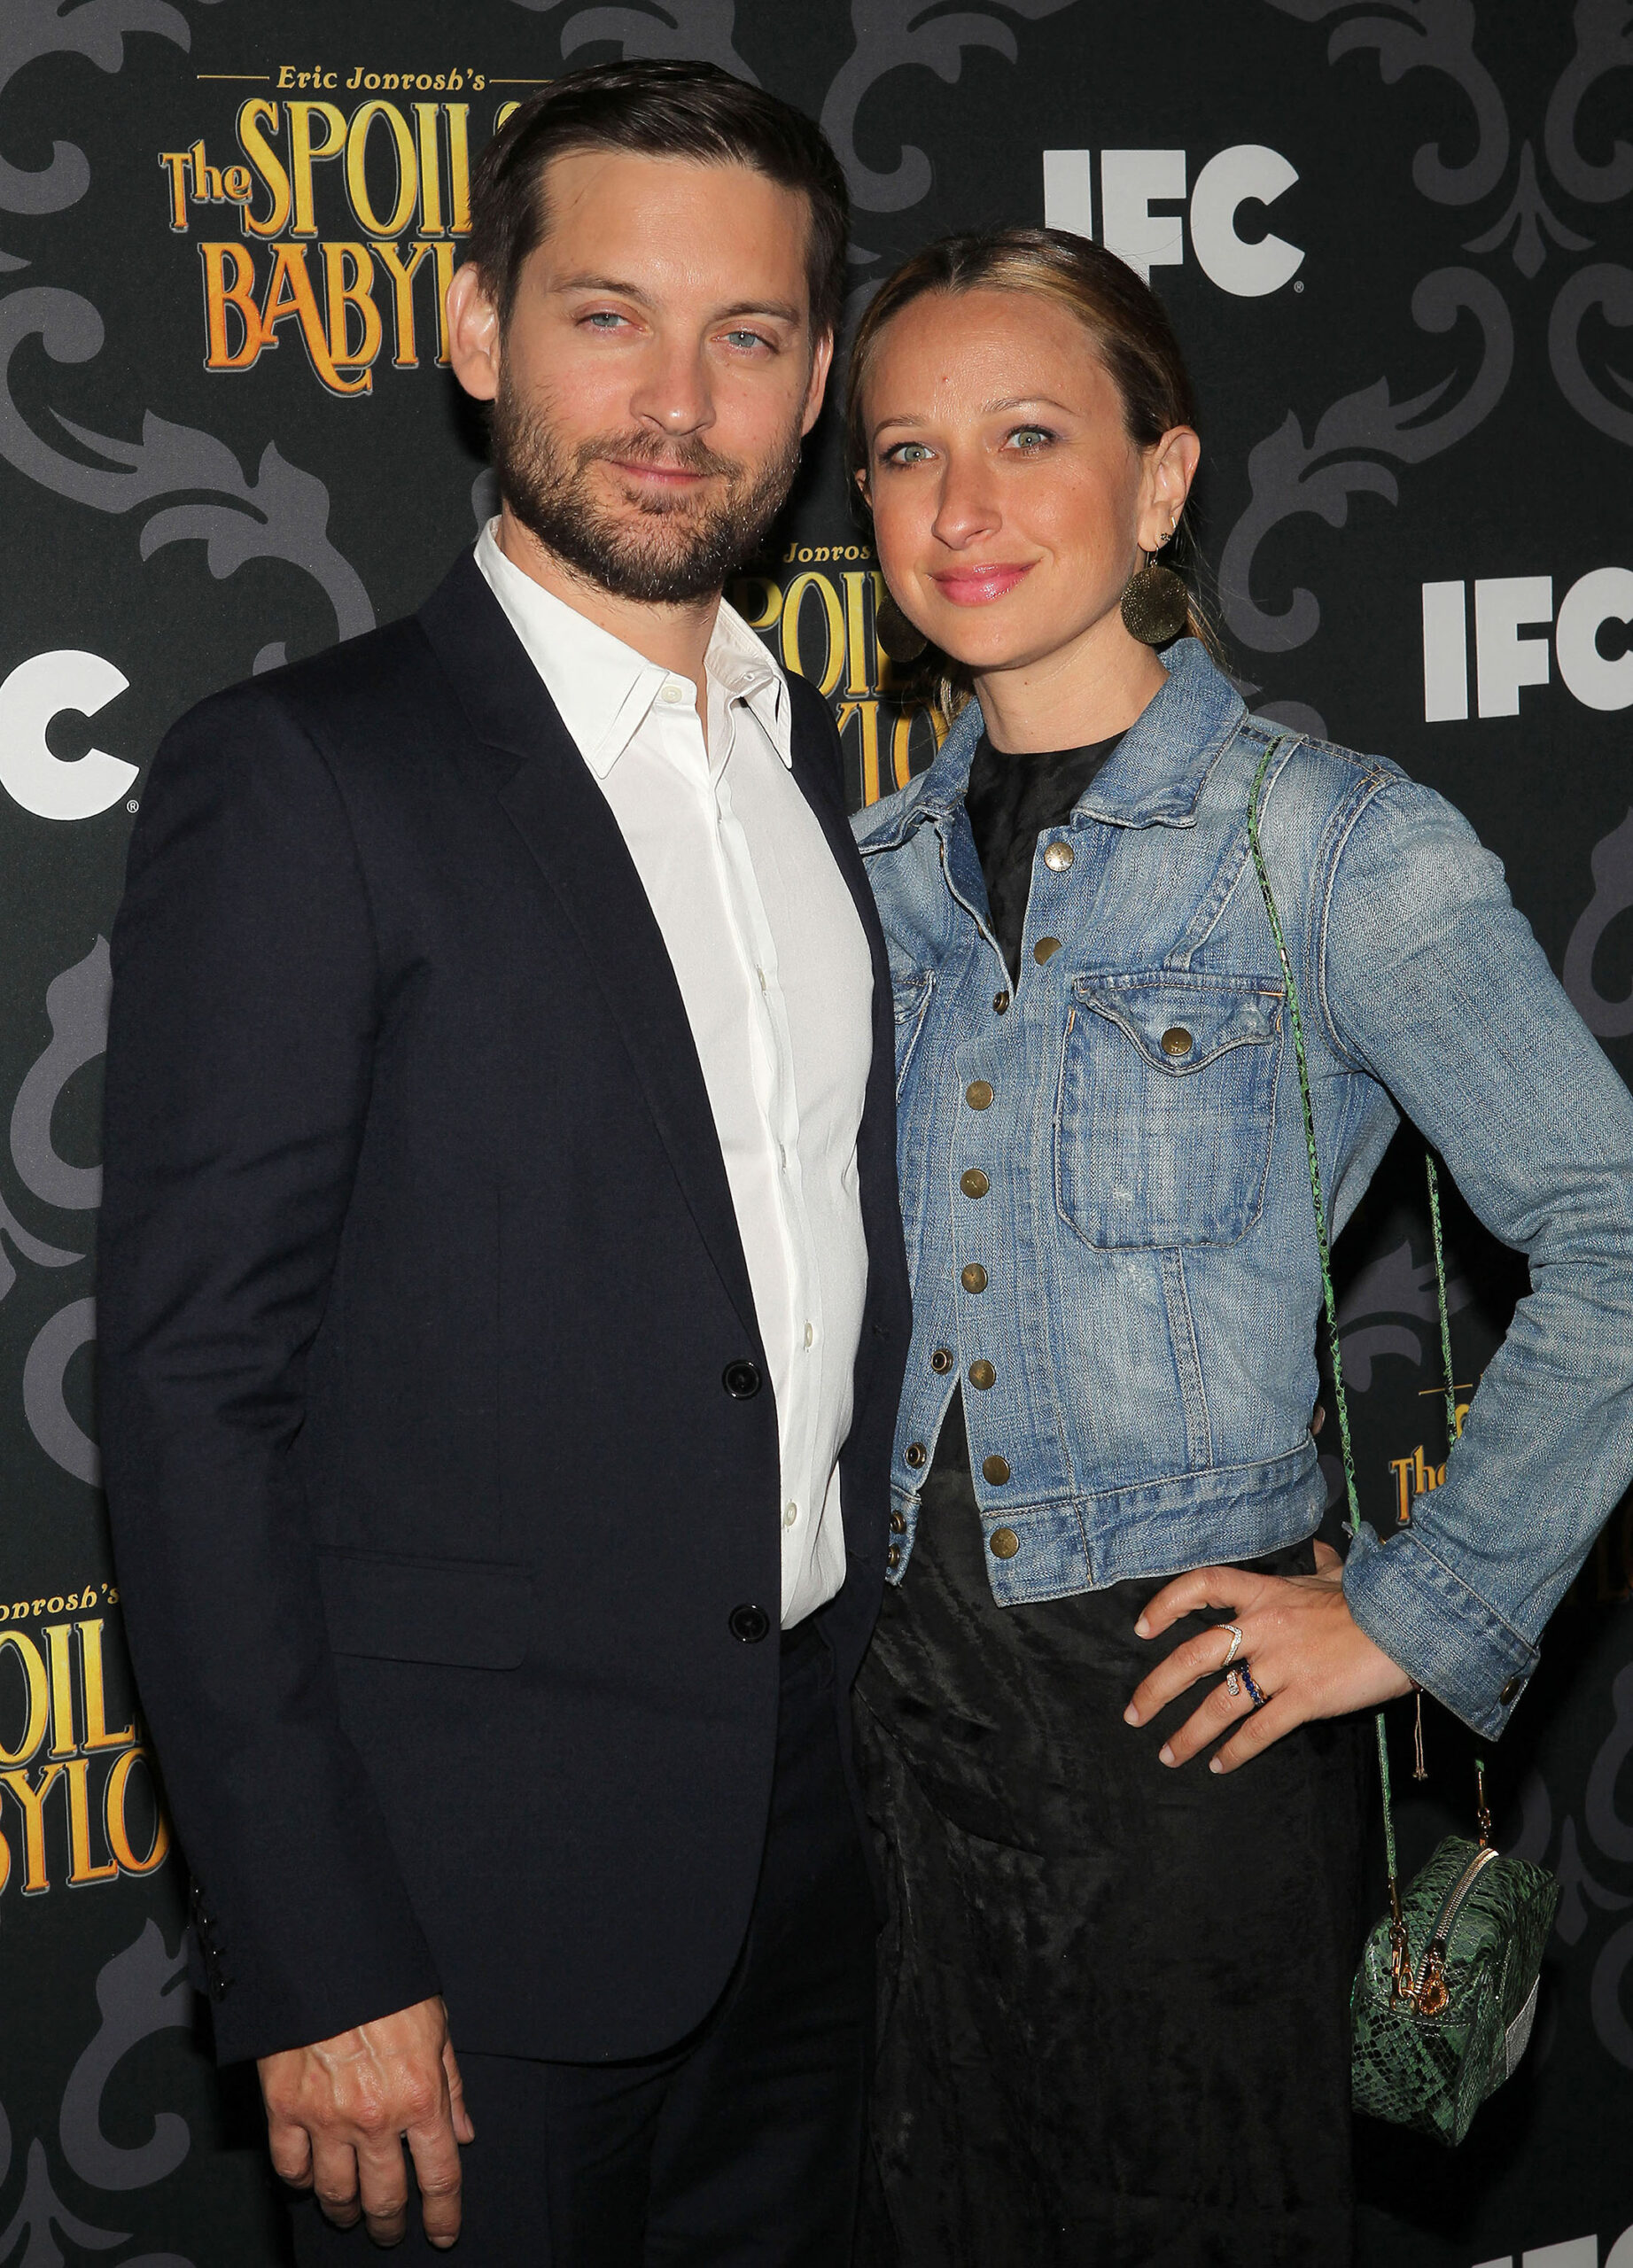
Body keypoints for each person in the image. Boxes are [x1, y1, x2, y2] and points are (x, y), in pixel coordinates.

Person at [97, 60, 910, 2265]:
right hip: (456, 1924)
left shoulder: (808, 766)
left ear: (814, 383)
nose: (677, 403)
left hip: (811, 1862)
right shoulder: (303, 775)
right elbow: (193, 1392)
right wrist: (317, 1947)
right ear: (476, 328)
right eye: (605, 316)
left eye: (747, 335)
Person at [844, 227, 1633, 2267]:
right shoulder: (857, 878)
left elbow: (1617, 1230)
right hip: (881, 1752)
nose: (960, 503)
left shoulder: (1330, 843)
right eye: (906, 451)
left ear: (1162, 478)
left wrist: (1418, 1609)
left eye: (1028, 435)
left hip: (1177, 1748)